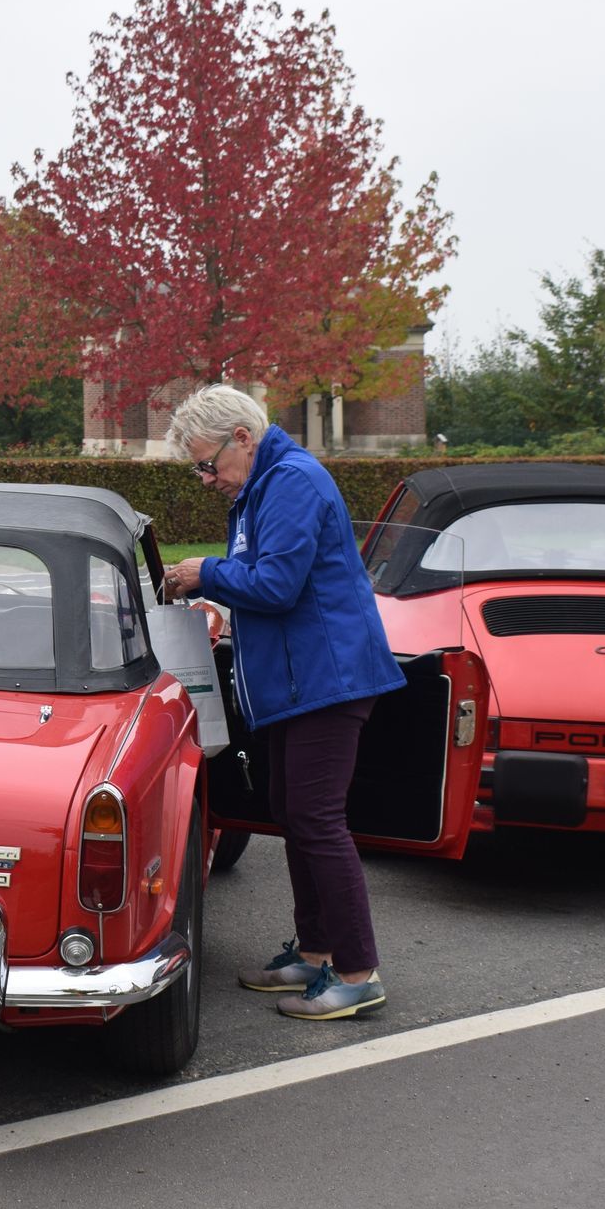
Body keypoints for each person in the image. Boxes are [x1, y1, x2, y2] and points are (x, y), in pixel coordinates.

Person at [160, 384, 405, 1021]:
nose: (206, 478)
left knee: (317, 820)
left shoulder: (291, 481)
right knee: (294, 814)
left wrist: (205, 572)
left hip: (328, 680)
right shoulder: (262, 486)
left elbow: (276, 584)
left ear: (242, 438)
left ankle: (358, 973)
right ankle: (317, 952)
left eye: (207, 463)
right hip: (306, 682)